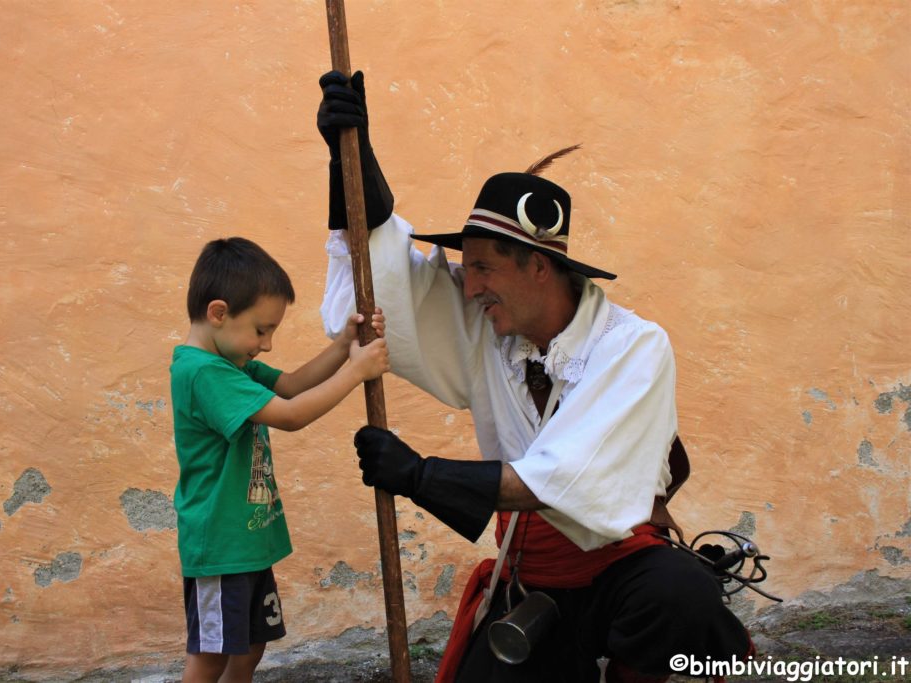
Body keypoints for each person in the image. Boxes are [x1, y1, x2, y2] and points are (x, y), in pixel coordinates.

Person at [316, 71, 752, 682]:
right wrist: (352, 158)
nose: (470, 287)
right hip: (530, 579)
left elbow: (563, 477)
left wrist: (420, 476)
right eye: (468, 268)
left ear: (540, 268)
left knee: (681, 596)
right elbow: (389, 284)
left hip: (621, 571)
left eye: (485, 268)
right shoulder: (485, 326)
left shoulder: (633, 348)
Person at [170, 236, 390, 683]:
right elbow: (290, 416)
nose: (266, 345)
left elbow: (289, 385)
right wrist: (356, 371)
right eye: (261, 329)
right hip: (219, 547)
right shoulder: (203, 373)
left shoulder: (230, 363)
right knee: (211, 655)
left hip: (246, 544)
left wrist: (343, 346)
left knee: (251, 646)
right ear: (218, 313)